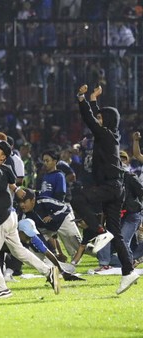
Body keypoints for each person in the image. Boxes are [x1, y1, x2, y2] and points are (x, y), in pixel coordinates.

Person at [0, 133, 60, 299]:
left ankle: (2, 289)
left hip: (0, 218)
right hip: (9, 216)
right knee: (19, 251)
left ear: (3, 156)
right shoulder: (1, 169)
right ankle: (49, 271)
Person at [73, 84, 138, 294]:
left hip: (110, 186)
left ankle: (99, 232)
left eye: (101, 118)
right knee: (116, 232)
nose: (98, 120)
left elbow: (90, 120)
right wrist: (93, 100)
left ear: (107, 121)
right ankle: (128, 272)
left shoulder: (107, 135)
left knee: (78, 198)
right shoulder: (110, 135)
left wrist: (82, 98)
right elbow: (96, 119)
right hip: (114, 187)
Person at [17, 188, 82, 260]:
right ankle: (50, 264)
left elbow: (65, 207)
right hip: (47, 228)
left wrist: (53, 216)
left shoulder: (43, 201)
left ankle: (95, 252)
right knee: (34, 245)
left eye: (24, 202)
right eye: (20, 202)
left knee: (78, 245)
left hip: (62, 221)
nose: (21, 205)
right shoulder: (23, 215)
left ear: (33, 200)